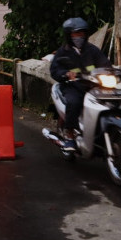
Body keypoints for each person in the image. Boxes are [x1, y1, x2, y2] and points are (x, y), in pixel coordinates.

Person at [50, 17, 112, 151]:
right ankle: (70, 135)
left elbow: (105, 64)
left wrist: (118, 72)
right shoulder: (63, 52)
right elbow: (55, 70)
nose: (79, 37)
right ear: (68, 35)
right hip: (73, 87)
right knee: (74, 102)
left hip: (92, 86)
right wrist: (66, 74)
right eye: (76, 34)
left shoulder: (92, 50)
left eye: (82, 33)